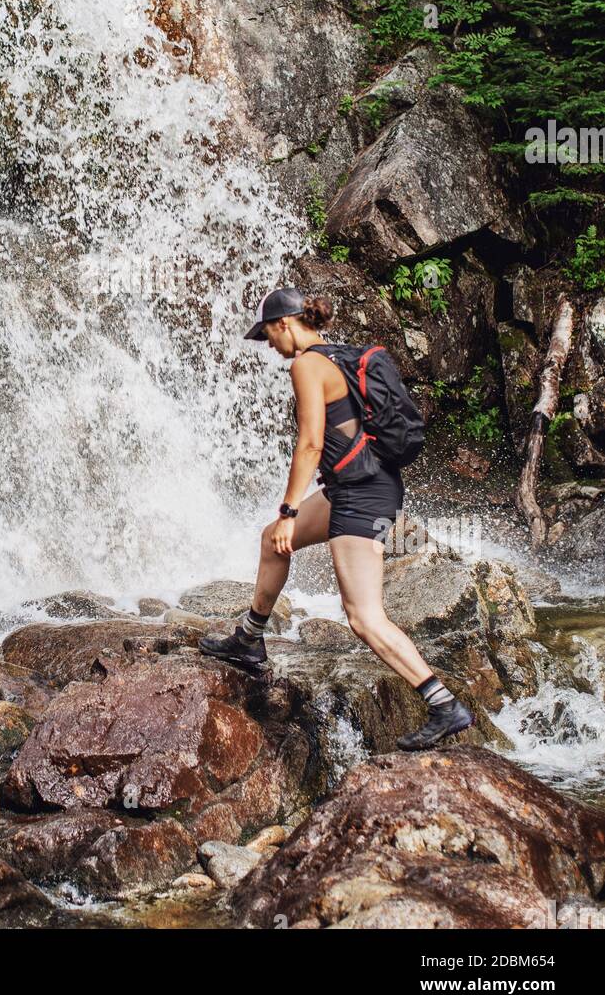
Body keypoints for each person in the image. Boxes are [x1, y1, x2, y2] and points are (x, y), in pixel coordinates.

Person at [200, 286, 474, 751]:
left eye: (268, 334)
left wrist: (289, 511)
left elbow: (310, 443)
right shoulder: (341, 354)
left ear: (285, 323)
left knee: (363, 617)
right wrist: (283, 523)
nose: (269, 345)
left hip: (361, 497)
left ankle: (442, 704)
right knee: (272, 541)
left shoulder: (308, 364)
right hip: (359, 487)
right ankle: (249, 639)